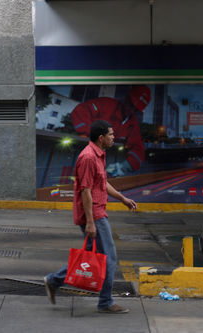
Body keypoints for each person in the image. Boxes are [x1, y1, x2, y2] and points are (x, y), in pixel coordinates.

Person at [44, 120, 137, 314]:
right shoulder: (88, 157)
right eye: (111, 134)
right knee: (109, 258)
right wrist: (91, 223)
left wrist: (122, 198)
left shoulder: (99, 155)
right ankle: (106, 302)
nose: (114, 137)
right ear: (101, 138)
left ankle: (53, 281)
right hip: (93, 215)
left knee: (91, 257)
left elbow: (101, 184)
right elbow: (85, 191)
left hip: (98, 212)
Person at [70, 86, 151, 176]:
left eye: (135, 108)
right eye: (131, 104)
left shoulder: (132, 124)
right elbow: (80, 110)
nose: (131, 110)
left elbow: (138, 148)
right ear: (126, 98)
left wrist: (123, 167)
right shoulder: (106, 104)